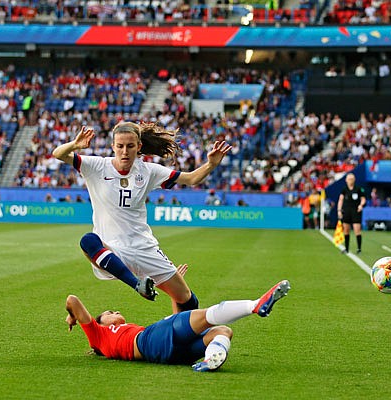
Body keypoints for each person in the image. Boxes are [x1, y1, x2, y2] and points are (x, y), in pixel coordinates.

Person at [52, 123, 231, 313]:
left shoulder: (148, 171)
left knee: (187, 299)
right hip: (113, 252)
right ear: (113, 146)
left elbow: (191, 179)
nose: (124, 151)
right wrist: (75, 144)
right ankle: (138, 285)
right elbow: (58, 154)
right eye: (120, 146)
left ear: (139, 146)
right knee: (88, 241)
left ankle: (177, 338)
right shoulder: (96, 166)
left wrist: (211, 164)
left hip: (144, 248)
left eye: (130, 146)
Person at [65, 274, 291, 372]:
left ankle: (210, 360)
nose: (115, 311)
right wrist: (72, 315)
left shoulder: (129, 332)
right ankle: (255, 305)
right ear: (101, 323)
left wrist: (175, 293)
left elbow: (175, 322)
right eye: (109, 312)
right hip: (149, 342)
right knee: (202, 317)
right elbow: (72, 300)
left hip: (166, 352)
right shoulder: (98, 335)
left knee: (222, 331)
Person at [337, 173, 366, 254]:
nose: (350, 180)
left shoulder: (359, 189)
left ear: (354, 180)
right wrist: (339, 210)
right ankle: (346, 248)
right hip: (346, 211)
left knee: (357, 230)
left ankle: (359, 249)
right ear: (346, 180)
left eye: (352, 179)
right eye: (349, 179)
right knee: (346, 230)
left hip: (356, 211)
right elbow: (340, 200)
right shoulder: (344, 190)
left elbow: (363, 199)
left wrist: (361, 205)